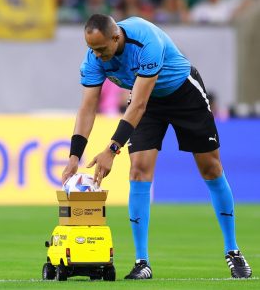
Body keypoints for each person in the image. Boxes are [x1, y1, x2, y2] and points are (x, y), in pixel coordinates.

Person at [62, 14, 252, 280]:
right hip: (149, 103)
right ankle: (142, 262)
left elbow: (137, 105)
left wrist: (111, 149)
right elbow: (87, 108)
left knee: (210, 168)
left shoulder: (145, 40)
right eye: (92, 49)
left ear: (116, 37)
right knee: (138, 170)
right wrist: (74, 155)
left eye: (102, 49)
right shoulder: (93, 58)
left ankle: (232, 250)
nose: (97, 55)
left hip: (183, 93)